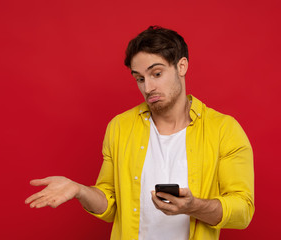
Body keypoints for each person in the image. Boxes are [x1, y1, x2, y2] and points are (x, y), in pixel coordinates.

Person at [25, 26, 255, 240]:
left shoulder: (224, 129)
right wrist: (80, 190)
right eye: (140, 78)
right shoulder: (120, 127)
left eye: (156, 74)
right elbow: (110, 205)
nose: (147, 88)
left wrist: (193, 206)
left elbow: (243, 210)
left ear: (181, 66)